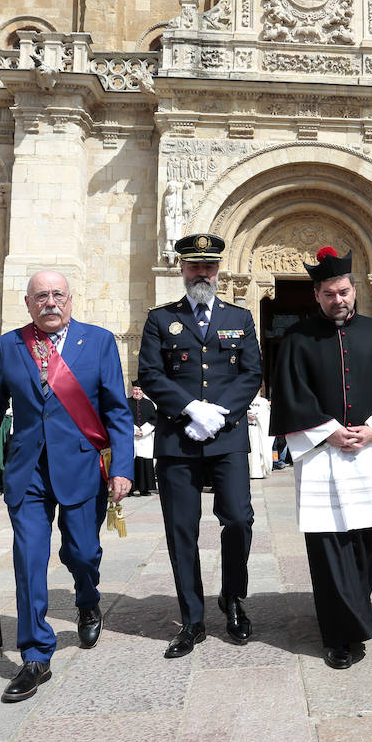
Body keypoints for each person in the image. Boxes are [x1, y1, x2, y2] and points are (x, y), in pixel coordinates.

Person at [0, 270, 134, 702]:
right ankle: (36, 656)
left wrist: (124, 467)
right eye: (41, 296)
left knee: (81, 551)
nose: (50, 302)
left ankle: (87, 597)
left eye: (58, 294)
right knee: (28, 559)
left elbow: (118, 410)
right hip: (28, 471)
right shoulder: (10, 344)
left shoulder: (98, 341)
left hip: (80, 467)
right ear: (27, 303)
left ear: (71, 300)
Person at [270, 247, 372, 669]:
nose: (338, 300)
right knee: (329, 544)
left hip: (370, 450)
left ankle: (359, 604)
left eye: (344, 291)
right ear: (316, 294)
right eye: (329, 294)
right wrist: (328, 430)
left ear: (355, 289)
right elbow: (290, 392)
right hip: (322, 455)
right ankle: (340, 636)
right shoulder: (296, 338)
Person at [138, 233, 263, 658]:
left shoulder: (240, 317)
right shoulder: (160, 319)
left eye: (209, 267)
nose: (202, 273)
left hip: (227, 438)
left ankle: (233, 598)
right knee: (181, 530)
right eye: (195, 267)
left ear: (218, 271)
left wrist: (219, 415)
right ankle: (192, 618)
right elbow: (151, 375)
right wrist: (192, 409)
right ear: (182, 270)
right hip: (178, 439)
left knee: (239, 520)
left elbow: (250, 374)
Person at [128, 383, 157, 496]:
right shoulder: (126, 403)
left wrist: (144, 430)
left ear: (143, 391)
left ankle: (144, 489)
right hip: (131, 437)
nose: (137, 391)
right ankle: (129, 489)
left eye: (140, 389)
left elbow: (154, 419)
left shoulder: (149, 404)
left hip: (145, 437)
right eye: (136, 389)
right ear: (132, 390)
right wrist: (134, 430)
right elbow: (123, 418)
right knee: (132, 462)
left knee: (144, 462)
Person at [247, 388, 272, 479]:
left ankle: (259, 472)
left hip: (258, 429)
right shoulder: (246, 398)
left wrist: (258, 415)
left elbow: (267, 413)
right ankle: (249, 472)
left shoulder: (263, 401)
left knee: (258, 450)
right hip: (249, 428)